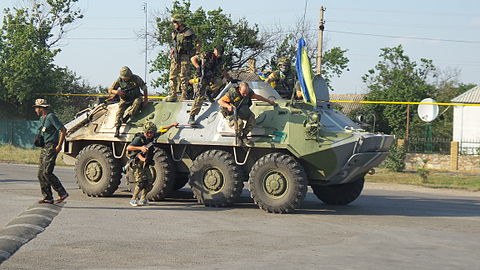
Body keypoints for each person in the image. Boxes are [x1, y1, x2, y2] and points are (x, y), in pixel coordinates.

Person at [126, 121, 179, 207]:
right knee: (141, 182)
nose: (150, 134)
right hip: (137, 163)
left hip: (146, 163)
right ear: (145, 132)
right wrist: (140, 148)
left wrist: (172, 125)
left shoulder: (152, 136)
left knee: (149, 182)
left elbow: (163, 130)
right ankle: (133, 199)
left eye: (152, 132)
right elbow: (129, 147)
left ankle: (143, 199)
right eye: (148, 132)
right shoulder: (139, 139)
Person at [218, 82, 276, 147]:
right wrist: (228, 106)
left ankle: (244, 136)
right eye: (243, 93)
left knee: (252, 119)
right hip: (231, 111)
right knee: (239, 123)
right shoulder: (232, 93)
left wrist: (269, 101)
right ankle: (238, 137)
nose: (245, 95)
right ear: (239, 90)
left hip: (241, 108)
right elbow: (220, 101)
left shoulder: (249, 92)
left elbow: (257, 97)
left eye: (246, 93)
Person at [33, 99, 69, 204]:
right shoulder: (42, 119)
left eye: (37, 108)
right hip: (44, 147)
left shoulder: (51, 117)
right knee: (40, 173)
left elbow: (63, 130)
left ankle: (62, 193)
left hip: (51, 146)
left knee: (47, 172)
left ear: (42, 108)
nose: (35, 110)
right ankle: (48, 197)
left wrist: (59, 145)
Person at [188, 45, 232, 125]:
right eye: (218, 52)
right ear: (215, 50)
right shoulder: (206, 55)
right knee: (199, 97)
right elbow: (193, 58)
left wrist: (230, 79)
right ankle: (192, 116)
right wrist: (197, 67)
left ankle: (209, 92)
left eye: (220, 53)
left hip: (210, 77)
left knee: (219, 82)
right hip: (201, 77)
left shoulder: (219, 60)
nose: (219, 54)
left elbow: (223, 71)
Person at [108, 66, 148, 137]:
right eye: (124, 78)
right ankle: (117, 128)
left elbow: (144, 88)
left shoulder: (136, 78)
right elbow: (110, 90)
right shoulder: (119, 80)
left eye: (127, 77)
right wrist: (117, 92)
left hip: (136, 97)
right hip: (125, 99)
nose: (126, 79)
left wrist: (145, 100)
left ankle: (128, 116)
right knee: (120, 110)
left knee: (137, 102)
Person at [168, 14, 199, 102]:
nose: (174, 24)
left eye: (175, 22)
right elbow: (177, 43)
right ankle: (173, 94)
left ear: (179, 22)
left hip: (185, 56)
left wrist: (197, 52)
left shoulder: (188, 32)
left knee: (183, 76)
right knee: (172, 76)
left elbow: (198, 41)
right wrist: (173, 50)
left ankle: (183, 95)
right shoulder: (175, 32)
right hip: (175, 57)